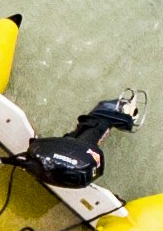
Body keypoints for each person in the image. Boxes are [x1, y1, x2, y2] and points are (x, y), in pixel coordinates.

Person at [16, 92, 144, 217]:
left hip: (76, 144)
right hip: (76, 147)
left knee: (85, 133)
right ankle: (104, 119)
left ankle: (102, 119)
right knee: (90, 130)